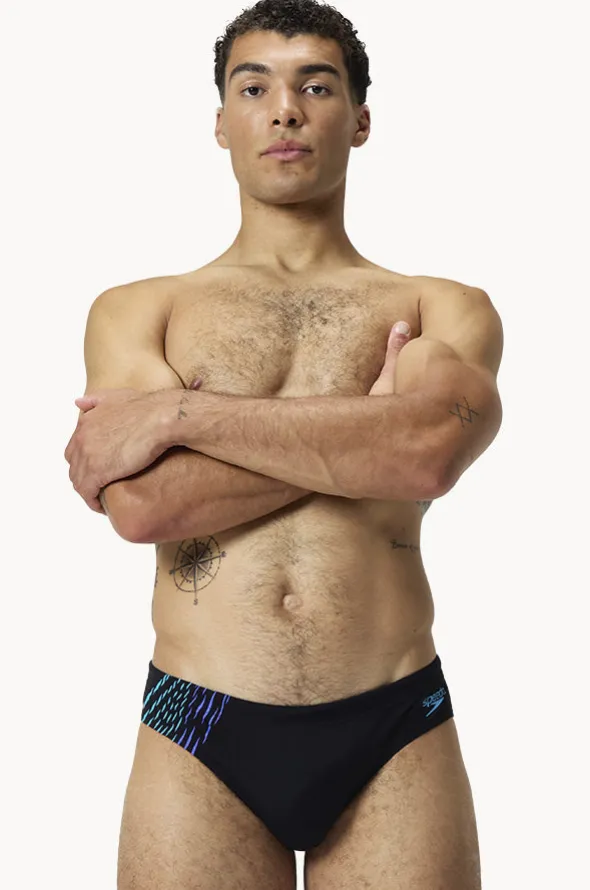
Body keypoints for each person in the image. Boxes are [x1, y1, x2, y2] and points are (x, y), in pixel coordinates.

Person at [64, 1, 503, 887]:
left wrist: (179, 418)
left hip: (393, 719)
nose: (285, 110)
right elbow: (143, 506)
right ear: (220, 122)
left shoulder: (440, 305)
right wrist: (365, 429)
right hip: (198, 721)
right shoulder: (139, 308)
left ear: (361, 119)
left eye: (317, 86)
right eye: (254, 87)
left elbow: (424, 457)